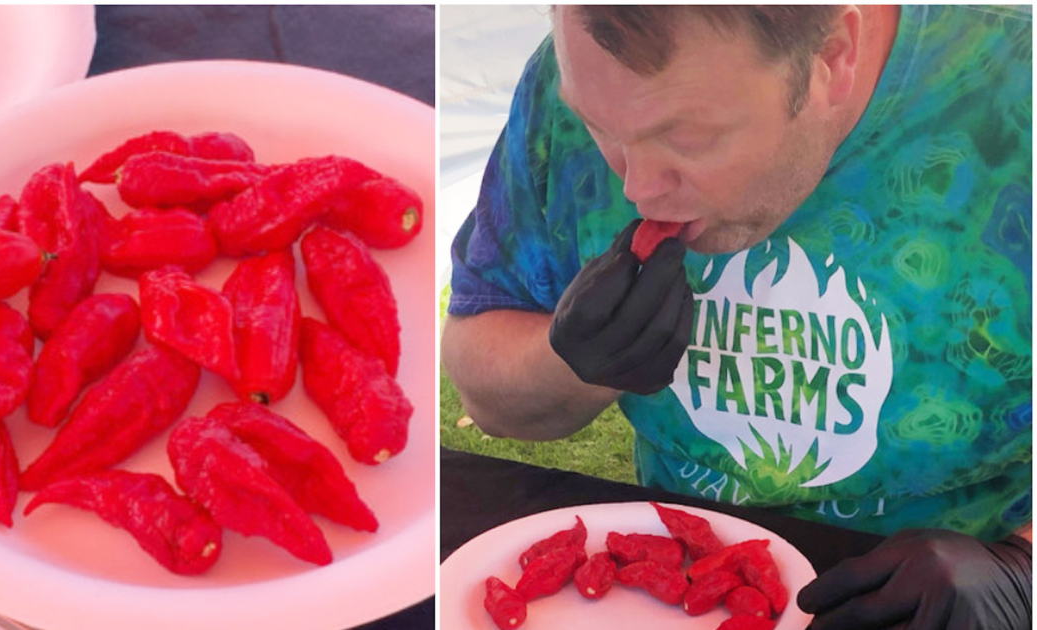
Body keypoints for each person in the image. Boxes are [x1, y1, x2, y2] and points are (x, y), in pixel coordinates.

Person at [442, 6, 1031, 628]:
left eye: (688, 138)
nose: (639, 188)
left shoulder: (1015, 90)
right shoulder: (577, 73)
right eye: (598, 127)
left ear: (833, 54)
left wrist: (1023, 571)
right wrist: (573, 364)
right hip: (682, 591)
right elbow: (485, 392)